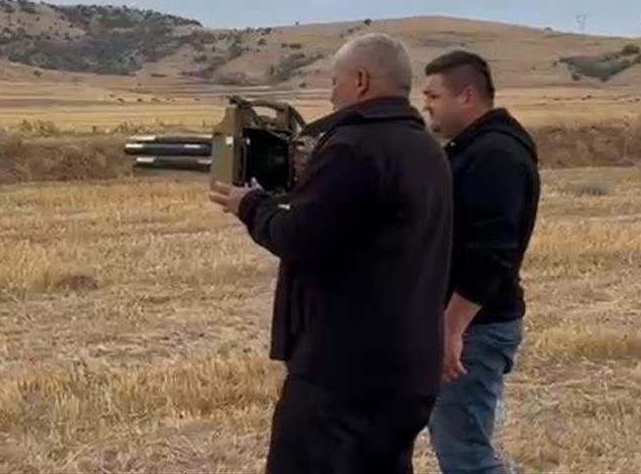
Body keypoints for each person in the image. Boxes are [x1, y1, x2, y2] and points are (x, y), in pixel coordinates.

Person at [209, 33, 453, 474]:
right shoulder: (425, 149)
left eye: (335, 80)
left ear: (360, 81)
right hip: (409, 367)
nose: (331, 92)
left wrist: (250, 206)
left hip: (342, 373)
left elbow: (300, 238)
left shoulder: (354, 147)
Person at [421, 51, 541, 474]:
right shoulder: (480, 148)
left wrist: (452, 329)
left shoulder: (494, 155)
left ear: (466, 95)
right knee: (464, 444)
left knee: (465, 456)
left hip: (478, 327)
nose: (427, 104)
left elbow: (493, 253)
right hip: (476, 324)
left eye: (433, 95)